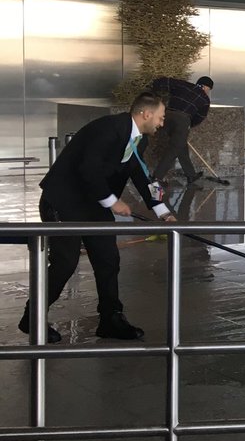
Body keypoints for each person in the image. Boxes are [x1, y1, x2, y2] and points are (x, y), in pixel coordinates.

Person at [19, 92, 176, 343]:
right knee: (65, 263)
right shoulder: (109, 129)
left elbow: (140, 174)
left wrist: (162, 211)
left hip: (93, 203)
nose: (161, 123)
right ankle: (32, 317)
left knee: (108, 260)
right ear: (146, 114)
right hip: (63, 201)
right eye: (160, 116)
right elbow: (88, 168)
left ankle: (110, 318)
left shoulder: (138, 140)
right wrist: (113, 202)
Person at [148, 75, 214, 184]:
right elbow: (199, 118)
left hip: (166, 117)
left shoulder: (184, 85)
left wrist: (154, 90)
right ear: (206, 87)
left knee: (181, 146)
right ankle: (157, 177)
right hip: (183, 120)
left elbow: (165, 82)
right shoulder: (205, 99)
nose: (208, 92)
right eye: (209, 90)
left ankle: (191, 175)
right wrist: (186, 127)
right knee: (174, 149)